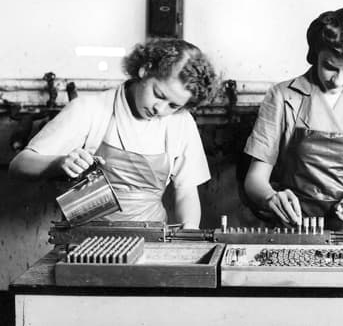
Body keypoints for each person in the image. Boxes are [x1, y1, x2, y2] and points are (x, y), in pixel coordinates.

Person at [9, 38, 217, 228]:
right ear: (145, 70)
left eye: (173, 105)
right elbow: (19, 165)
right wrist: (57, 164)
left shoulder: (180, 122)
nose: (160, 110)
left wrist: (188, 241)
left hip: (152, 243)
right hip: (85, 245)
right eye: (159, 95)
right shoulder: (89, 110)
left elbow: (186, 192)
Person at [243, 7, 343, 231]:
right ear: (315, 54)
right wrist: (271, 197)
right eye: (330, 67)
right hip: (296, 229)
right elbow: (254, 180)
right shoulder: (283, 96)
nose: (338, 80)